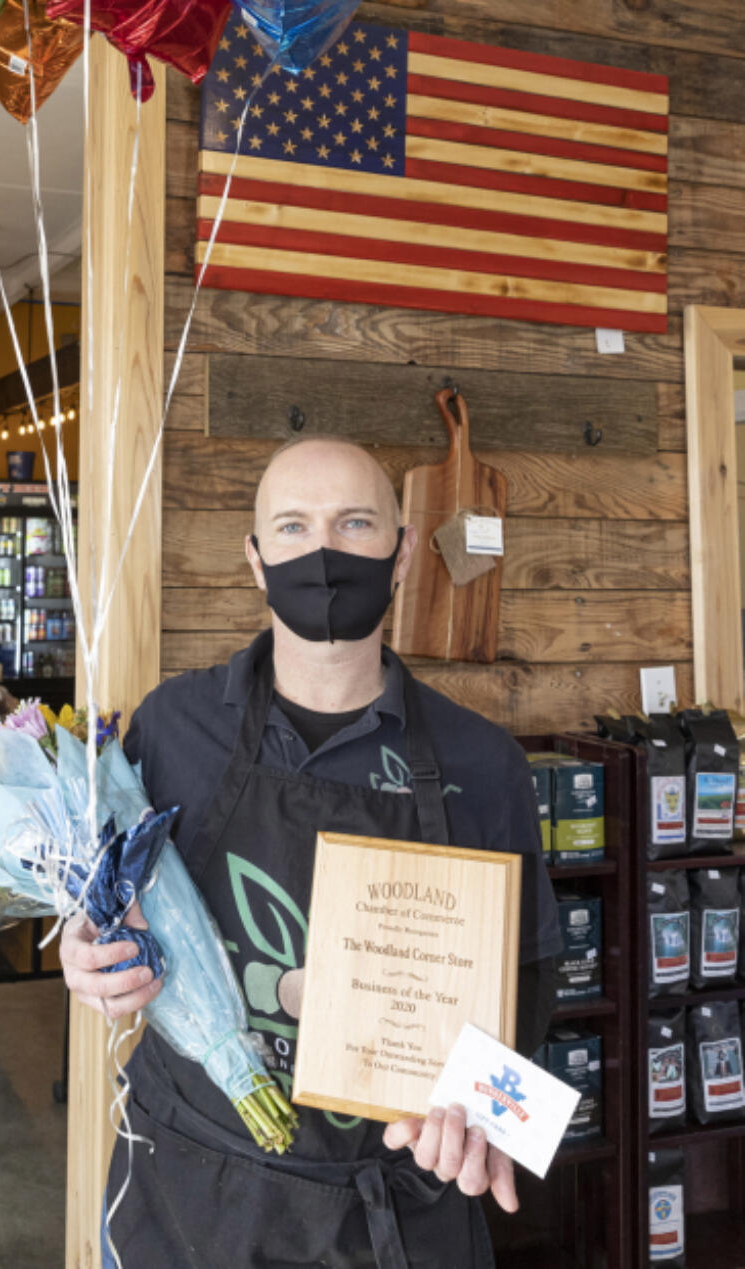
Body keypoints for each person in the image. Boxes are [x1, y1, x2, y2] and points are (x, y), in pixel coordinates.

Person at [62, 437, 562, 1269]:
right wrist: (85, 952)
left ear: (402, 552)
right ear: (256, 562)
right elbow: (108, 909)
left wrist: (485, 1114)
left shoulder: (484, 763)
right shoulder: (172, 725)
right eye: (292, 526)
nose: (322, 551)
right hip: (188, 1196)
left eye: (354, 522)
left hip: (391, 1211)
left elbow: (533, 986)